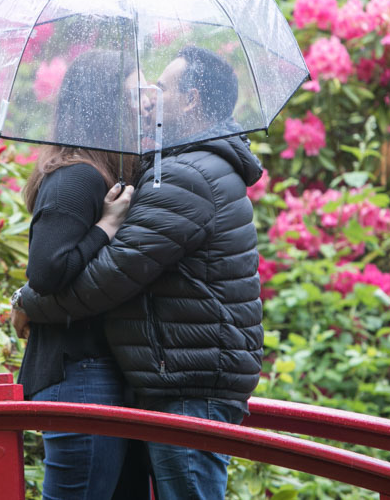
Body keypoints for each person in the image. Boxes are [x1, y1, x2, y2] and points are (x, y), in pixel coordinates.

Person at [13, 45, 265, 499]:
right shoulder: (177, 168)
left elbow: (111, 275)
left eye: (159, 89)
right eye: (139, 93)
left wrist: (28, 303)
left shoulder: (188, 174)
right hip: (181, 376)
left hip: (189, 383)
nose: (150, 100)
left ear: (189, 100)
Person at [15, 48, 141, 500]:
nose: (140, 110)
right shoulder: (78, 177)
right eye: (130, 99)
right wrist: (107, 227)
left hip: (89, 373)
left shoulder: (95, 172)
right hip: (79, 373)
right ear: (105, 106)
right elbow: (47, 271)